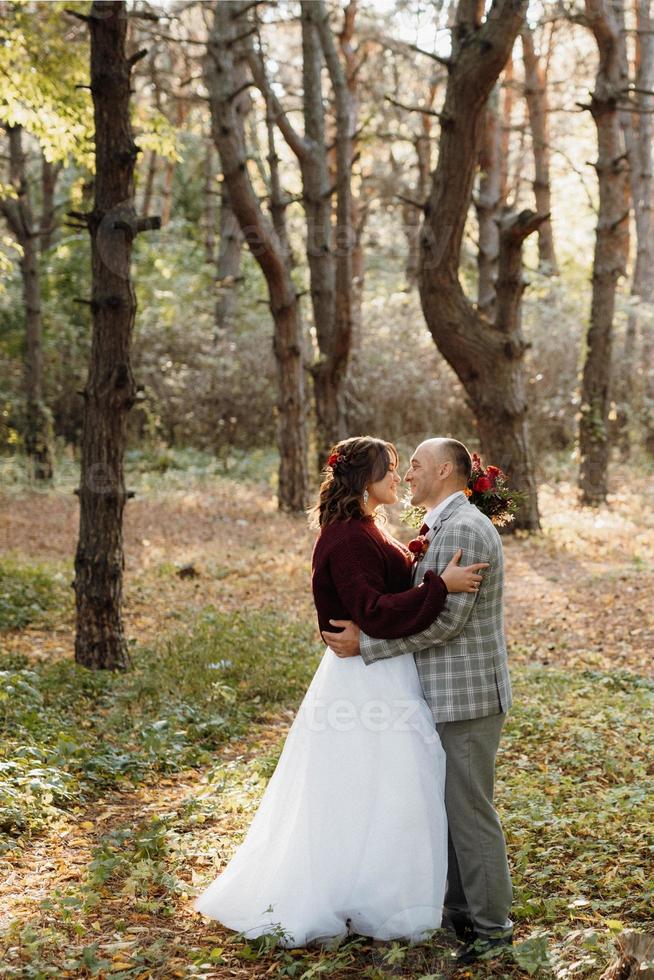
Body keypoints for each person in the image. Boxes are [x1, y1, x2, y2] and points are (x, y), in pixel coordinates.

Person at [194, 436, 488, 948]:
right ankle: (351, 896)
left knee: (384, 787)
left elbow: (386, 597)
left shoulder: (367, 527)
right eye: (390, 469)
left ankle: (374, 890)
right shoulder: (349, 537)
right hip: (364, 680)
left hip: (380, 672)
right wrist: (440, 585)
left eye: (404, 468)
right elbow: (372, 611)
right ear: (363, 480)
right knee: (365, 787)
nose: (398, 478)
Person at [324, 437, 513, 964]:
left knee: (470, 812)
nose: (408, 473)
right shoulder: (440, 526)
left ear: (447, 470)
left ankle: (493, 929)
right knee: (449, 811)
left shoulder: (467, 530)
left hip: (467, 697)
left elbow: (448, 623)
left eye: (416, 464)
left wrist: (368, 646)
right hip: (439, 696)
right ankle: (461, 916)